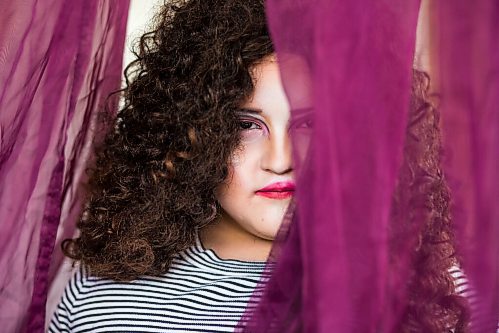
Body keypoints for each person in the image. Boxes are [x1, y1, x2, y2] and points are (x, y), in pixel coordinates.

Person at [48, 0, 471, 332]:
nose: (281, 160)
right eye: (245, 125)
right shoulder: (104, 301)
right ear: (187, 131)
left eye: (309, 123)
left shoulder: (442, 296)